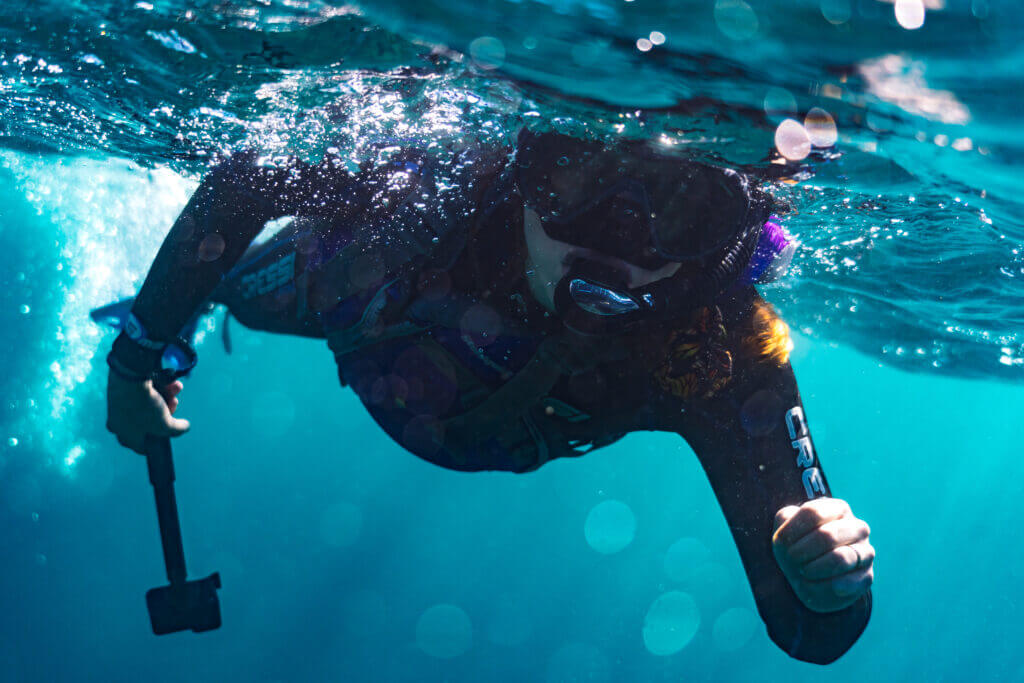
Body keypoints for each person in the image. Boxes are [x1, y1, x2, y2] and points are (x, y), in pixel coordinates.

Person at [103, 129, 874, 664]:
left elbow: (811, 630)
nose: (613, 239)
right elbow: (249, 177)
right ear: (523, 167)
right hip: (335, 291)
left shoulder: (721, 350)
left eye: (682, 209)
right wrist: (139, 353)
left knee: (226, 294)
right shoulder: (443, 186)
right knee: (233, 292)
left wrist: (824, 574)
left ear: (728, 235)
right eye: (574, 172)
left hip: (377, 341)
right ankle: (170, 304)